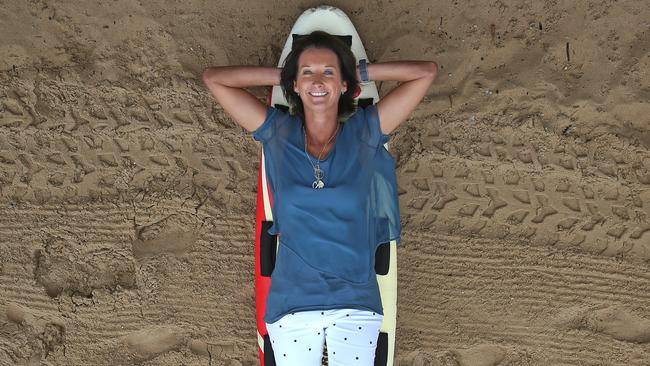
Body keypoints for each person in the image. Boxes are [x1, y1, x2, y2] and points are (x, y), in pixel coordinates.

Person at [203, 31, 437, 366]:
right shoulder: (277, 132)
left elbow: (425, 72)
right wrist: (286, 77)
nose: (317, 80)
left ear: (344, 85)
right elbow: (215, 80)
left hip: (356, 302)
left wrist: (358, 73)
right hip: (291, 304)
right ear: (295, 86)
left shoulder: (365, 133)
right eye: (307, 72)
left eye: (328, 72)